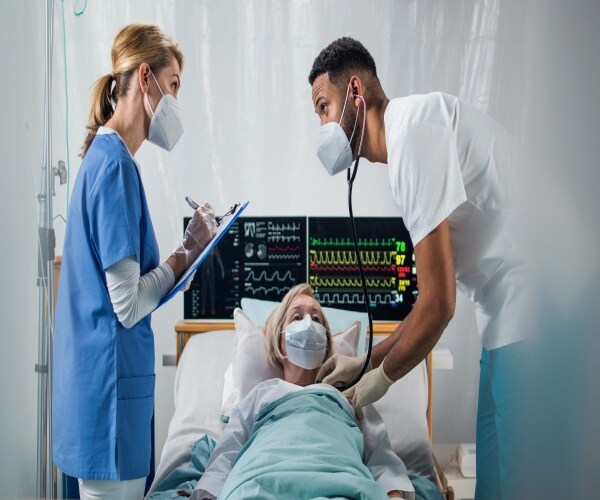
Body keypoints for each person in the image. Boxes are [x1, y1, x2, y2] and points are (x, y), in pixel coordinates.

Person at [309, 37, 529, 500]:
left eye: (323, 107)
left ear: (355, 92)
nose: (322, 125)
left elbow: (438, 305)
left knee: (521, 478)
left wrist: (377, 383)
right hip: (502, 309)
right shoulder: (408, 143)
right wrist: (366, 360)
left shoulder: (412, 134)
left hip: (532, 303)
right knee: (493, 478)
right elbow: (428, 304)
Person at [53, 24, 217, 500]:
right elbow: (126, 304)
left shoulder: (104, 159)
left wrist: (187, 252)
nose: (176, 101)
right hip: (107, 402)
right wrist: (188, 249)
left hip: (101, 395)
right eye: (174, 85)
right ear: (145, 78)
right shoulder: (115, 165)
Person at [191, 283, 416, 499]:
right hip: (257, 482)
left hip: (342, 484)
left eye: (316, 319)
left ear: (327, 343)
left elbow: (382, 460)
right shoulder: (260, 395)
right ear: (278, 341)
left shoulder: (351, 397)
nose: (308, 323)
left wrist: (394, 496)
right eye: (296, 317)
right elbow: (225, 456)